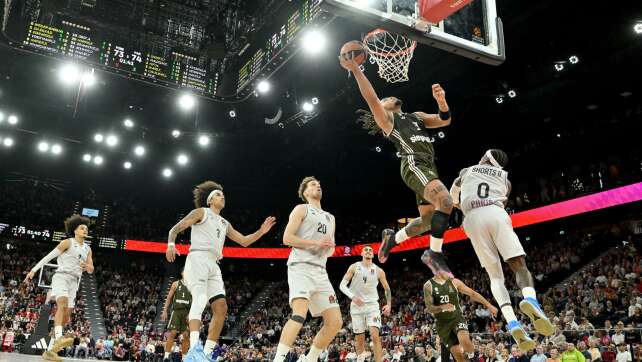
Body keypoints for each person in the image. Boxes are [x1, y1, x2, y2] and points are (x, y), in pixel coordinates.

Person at [339, 52, 453, 277]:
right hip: (414, 164)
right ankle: (434, 254)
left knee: (429, 220)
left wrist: (442, 101)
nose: (388, 97)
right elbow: (371, 98)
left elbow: (444, 120)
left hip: (428, 166)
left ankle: (394, 238)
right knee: (446, 200)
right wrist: (355, 69)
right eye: (384, 99)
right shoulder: (388, 121)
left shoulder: (416, 116)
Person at [450, 149, 554, 351]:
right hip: (495, 212)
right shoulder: (506, 180)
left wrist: (460, 204)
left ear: (486, 158)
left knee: (495, 277)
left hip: (471, 219)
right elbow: (502, 199)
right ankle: (530, 300)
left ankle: (512, 322)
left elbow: (452, 197)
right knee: (519, 265)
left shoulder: (466, 171)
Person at [165, 180, 276, 361]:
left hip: (214, 263)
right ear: (209, 200)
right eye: (217, 194)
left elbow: (244, 241)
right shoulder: (201, 212)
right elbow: (176, 229)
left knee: (221, 307)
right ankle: (194, 350)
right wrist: (171, 245)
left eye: (222, 194)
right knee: (200, 299)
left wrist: (261, 232)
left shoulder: (224, 222)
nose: (222, 196)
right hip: (198, 258)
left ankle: (207, 353)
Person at [273, 176, 343, 362]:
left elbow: (330, 249)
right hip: (301, 267)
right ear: (305, 192)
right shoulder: (301, 209)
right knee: (299, 313)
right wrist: (315, 243)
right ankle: (278, 359)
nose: (318, 186)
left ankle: (309, 359)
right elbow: (287, 238)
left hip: (320, 271)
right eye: (313, 184)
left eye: (319, 184)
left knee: (335, 322)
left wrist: (329, 248)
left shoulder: (331, 217)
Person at [25, 214, 94, 362]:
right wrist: (33, 270)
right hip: (61, 277)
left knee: (66, 316)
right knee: (61, 305)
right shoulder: (66, 243)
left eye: (87, 229)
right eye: (82, 228)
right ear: (75, 231)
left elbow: (91, 269)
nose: (85, 230)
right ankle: (59, 336)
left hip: (74, 281)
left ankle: (50, 351)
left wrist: (87, 266)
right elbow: (48, 257)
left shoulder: (88, 249)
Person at [423, 272, 498, 362]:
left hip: (456, 318)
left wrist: (489, 305)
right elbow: (430, 308)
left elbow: (472, 294)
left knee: (464, 339)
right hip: (443, 324)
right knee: (455, 357)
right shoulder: (429, 286)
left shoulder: (455, 282)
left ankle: (473, 355)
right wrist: (441, 307)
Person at [339, 244, 392, 362]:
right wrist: (353, 297)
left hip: (372, 306)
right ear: (361, 253)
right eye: (366, 250)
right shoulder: (354, 267)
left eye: (370, 250)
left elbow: (387, 289)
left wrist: (388, 304)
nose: (368, 251)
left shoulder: (379, 270)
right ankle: (361, 359)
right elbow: (342, 285)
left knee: (375, 335)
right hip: (356, 306)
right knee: (359, 339)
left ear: (373, 254)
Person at [160, 271, 191, 361]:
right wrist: (164, 311)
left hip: (186, 312)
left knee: (186, 335)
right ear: (182, 273)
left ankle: (184, 358)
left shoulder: (192, 285)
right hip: (176, 311)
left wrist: (190, 314)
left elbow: (195, 301)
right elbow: (169, 298)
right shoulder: (176, 284)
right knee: (173, 333)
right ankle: (166, 356)